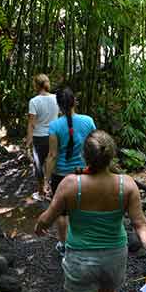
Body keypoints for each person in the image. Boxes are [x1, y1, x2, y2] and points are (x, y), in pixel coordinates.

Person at [35, 130, 146, 292]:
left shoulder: (70, 184)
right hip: (114, 259)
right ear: (112, 155)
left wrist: (39, 226)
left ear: (84, 156)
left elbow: (47, 218)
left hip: (81, 259)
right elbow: (141, 225)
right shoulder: (126, 184)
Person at [44, 87, 96, 256]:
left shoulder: (54, 126)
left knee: (61, 212)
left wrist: (46, 180)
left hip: (61, 175)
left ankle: (64, 244)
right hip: (84, 173)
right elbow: (95, 147)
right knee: (84, 208)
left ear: (59, 105)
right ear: (74, 101)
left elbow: (52, 155)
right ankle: (85, 242)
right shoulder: (88, 121)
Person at [24, 74, 59, 201]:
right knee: (53, 163)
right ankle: (53, 191)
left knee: (39, 165)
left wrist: (28, 142)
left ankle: (41, 192)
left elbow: (32, 124)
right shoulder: (56, 98)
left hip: (39, 137)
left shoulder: (34, 101)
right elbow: (59, 117)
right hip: (54, 135)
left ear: (36, 85)